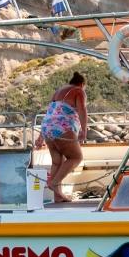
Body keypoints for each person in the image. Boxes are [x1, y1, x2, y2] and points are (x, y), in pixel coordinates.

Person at [37, 71, 89, 202]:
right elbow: (82, 109)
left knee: (57, 161)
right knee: (76, 157)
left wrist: (40, 137)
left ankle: (58, 197)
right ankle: (54, 183)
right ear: (82, 84)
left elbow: (50, 113)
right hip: (62, 127)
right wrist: (84, 130)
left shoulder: (58, 92)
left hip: (47, 128)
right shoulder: (78, 91)